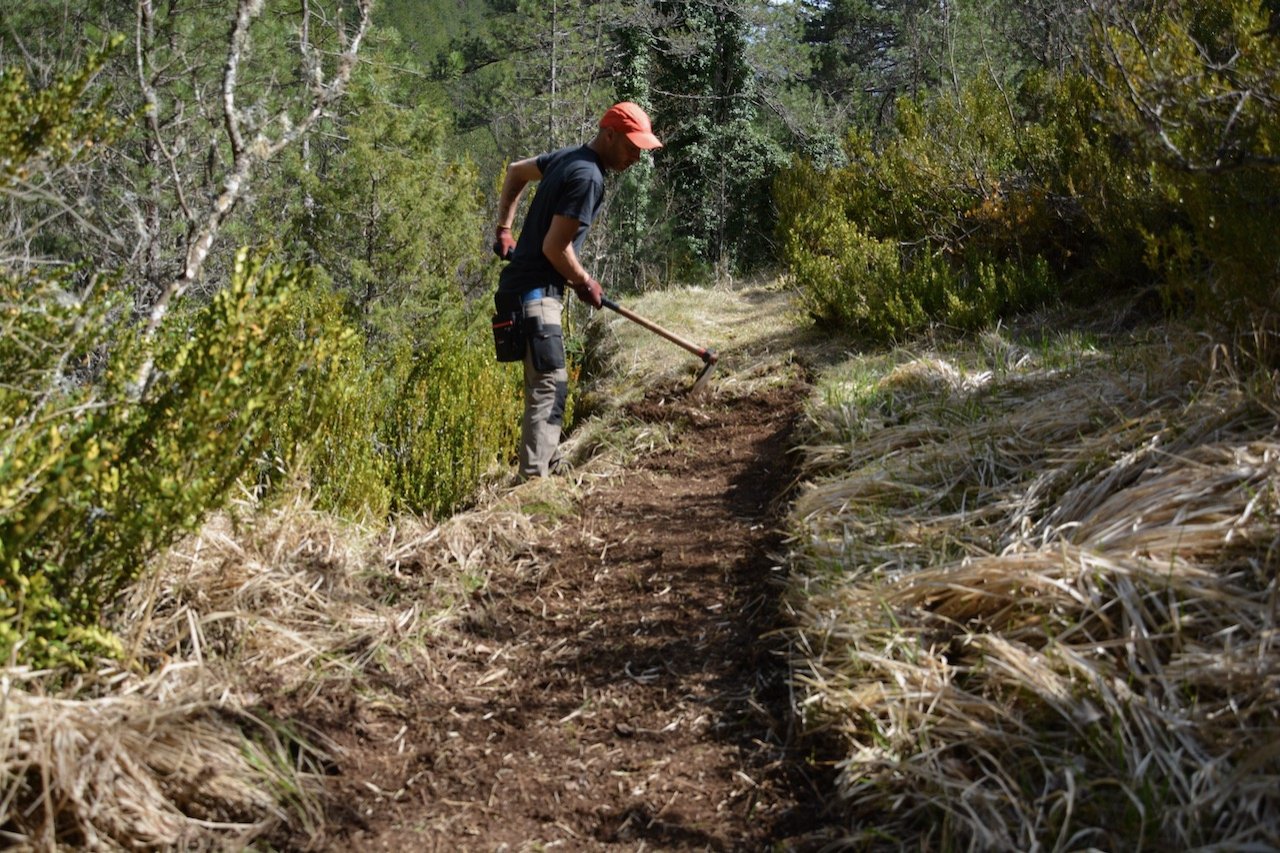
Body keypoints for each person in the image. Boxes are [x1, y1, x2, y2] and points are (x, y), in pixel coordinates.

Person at [491, 102, 663, 479]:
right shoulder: (589, 178)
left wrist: (505, 228)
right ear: (609, 134)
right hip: (536, 295)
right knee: (550, 386)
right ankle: (534, 485)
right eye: (632, 146)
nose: (636, 156)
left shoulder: (567, 158)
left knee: (544, 384)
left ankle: (547, 467)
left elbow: (516, 171)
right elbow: (556, 248)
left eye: (641, 149)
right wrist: (585, 282)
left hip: (519, 292)